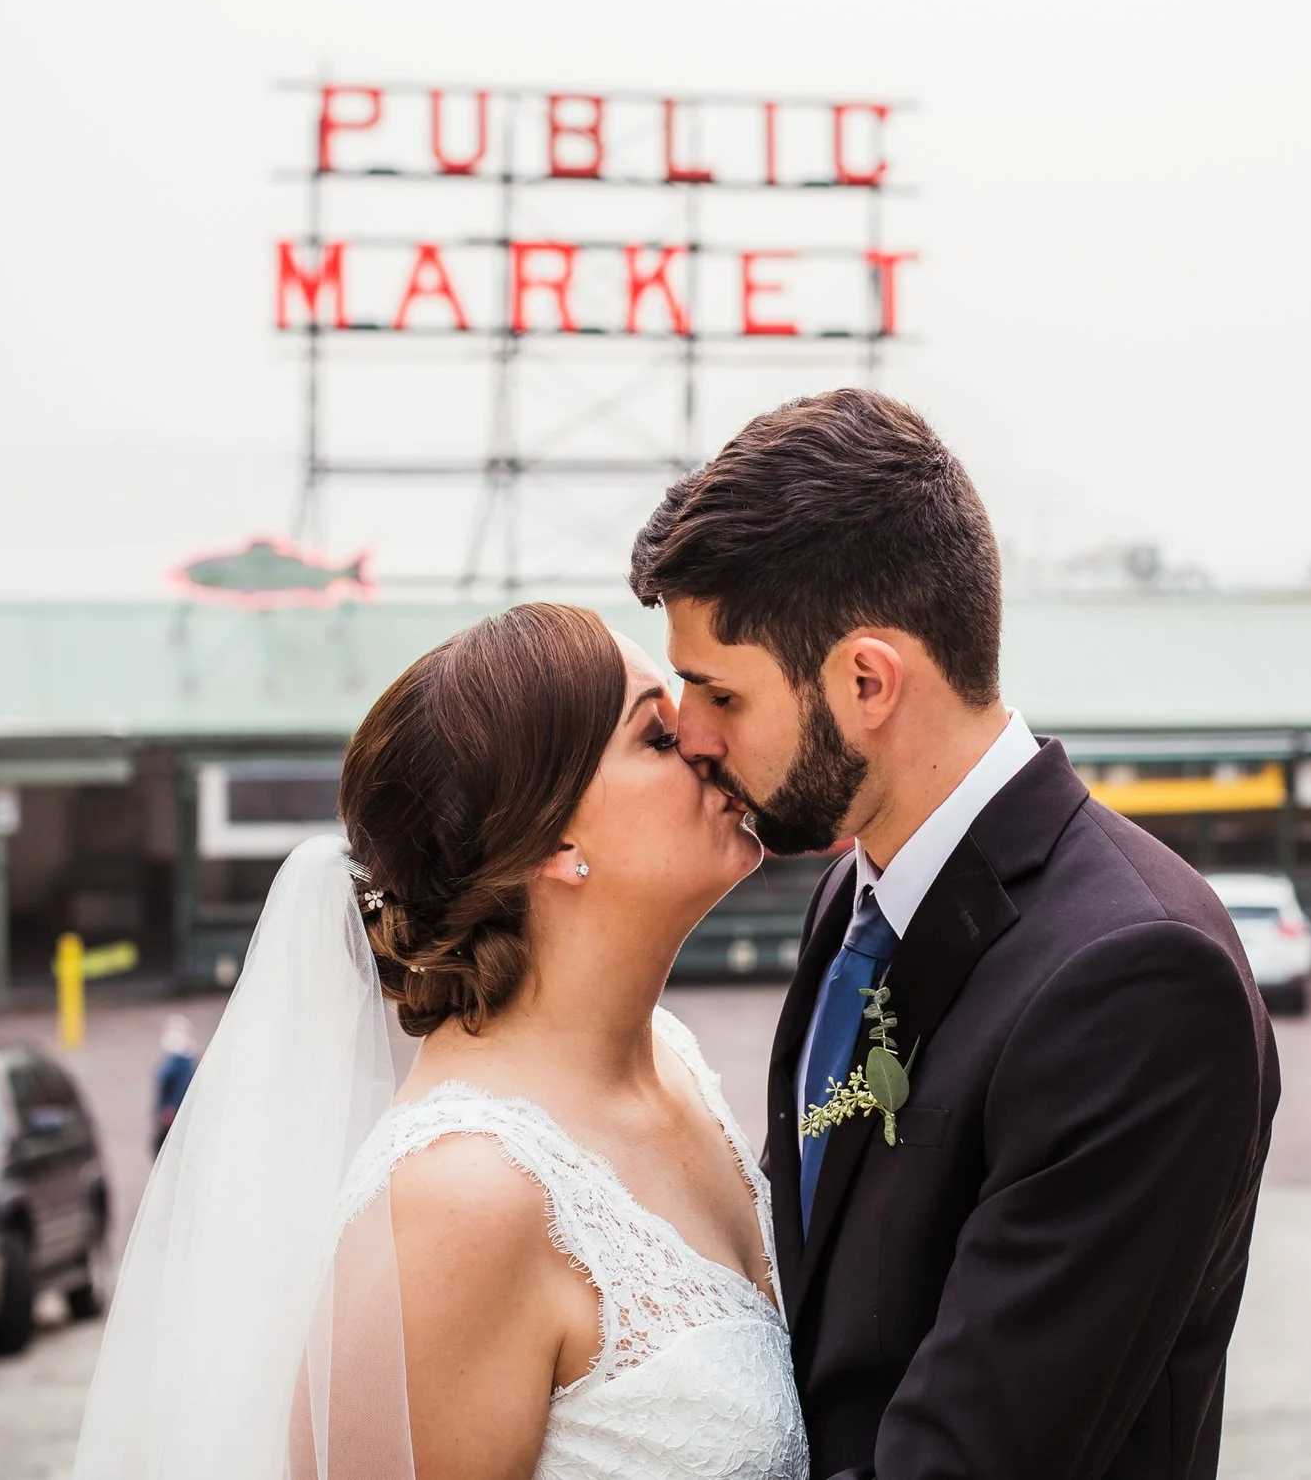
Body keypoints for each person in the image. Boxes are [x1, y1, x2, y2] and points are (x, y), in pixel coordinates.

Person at [629, 387, 1279, 1480]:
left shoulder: (1135, 978)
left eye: (720, 693)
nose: (689, 734)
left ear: (868, 680)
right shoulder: (854, 901)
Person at [73, 602, 802, 1480]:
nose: (708, 745)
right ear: (552, 837)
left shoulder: (675, 1061)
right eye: (656, 736)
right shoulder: (460, 1198)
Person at [151, 1015, 197, 1155]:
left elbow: (180, 1087)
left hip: (172, 1112)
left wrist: (170, 1108)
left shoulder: (181, 1063)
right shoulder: (177, 1061)